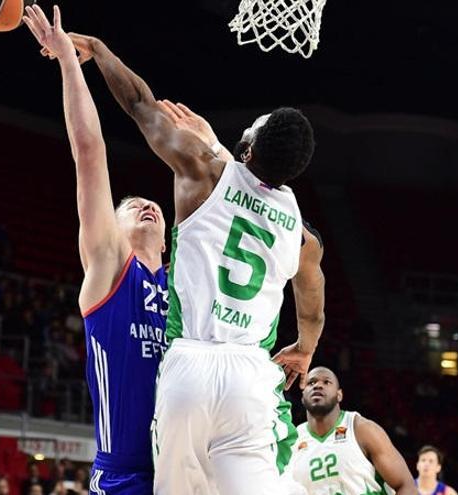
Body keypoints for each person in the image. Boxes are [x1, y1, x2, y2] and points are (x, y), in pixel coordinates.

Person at [62, 24, 324, 495]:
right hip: (251, 374)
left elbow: (141, 105)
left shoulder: (202, 170)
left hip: (191, 368)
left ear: (247, 148)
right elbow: (312, 303)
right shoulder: (303, 234)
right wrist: (305, 347)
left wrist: (99, 49)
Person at [22, 6, 168, 494]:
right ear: (113, 228)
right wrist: (67, 60)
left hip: (185, 471)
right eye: (131, 206)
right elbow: (89, 152)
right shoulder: (110, 266)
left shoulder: (185, 286)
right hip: (125, 476)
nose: (146, 204)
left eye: (153, 205)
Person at [287, 367, 417, 494]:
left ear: (339, 395)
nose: (318, 385)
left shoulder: (362, 429)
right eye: (311, 383)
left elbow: (406, 485)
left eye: (326, 382)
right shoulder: (294, 441)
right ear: (303, 397)